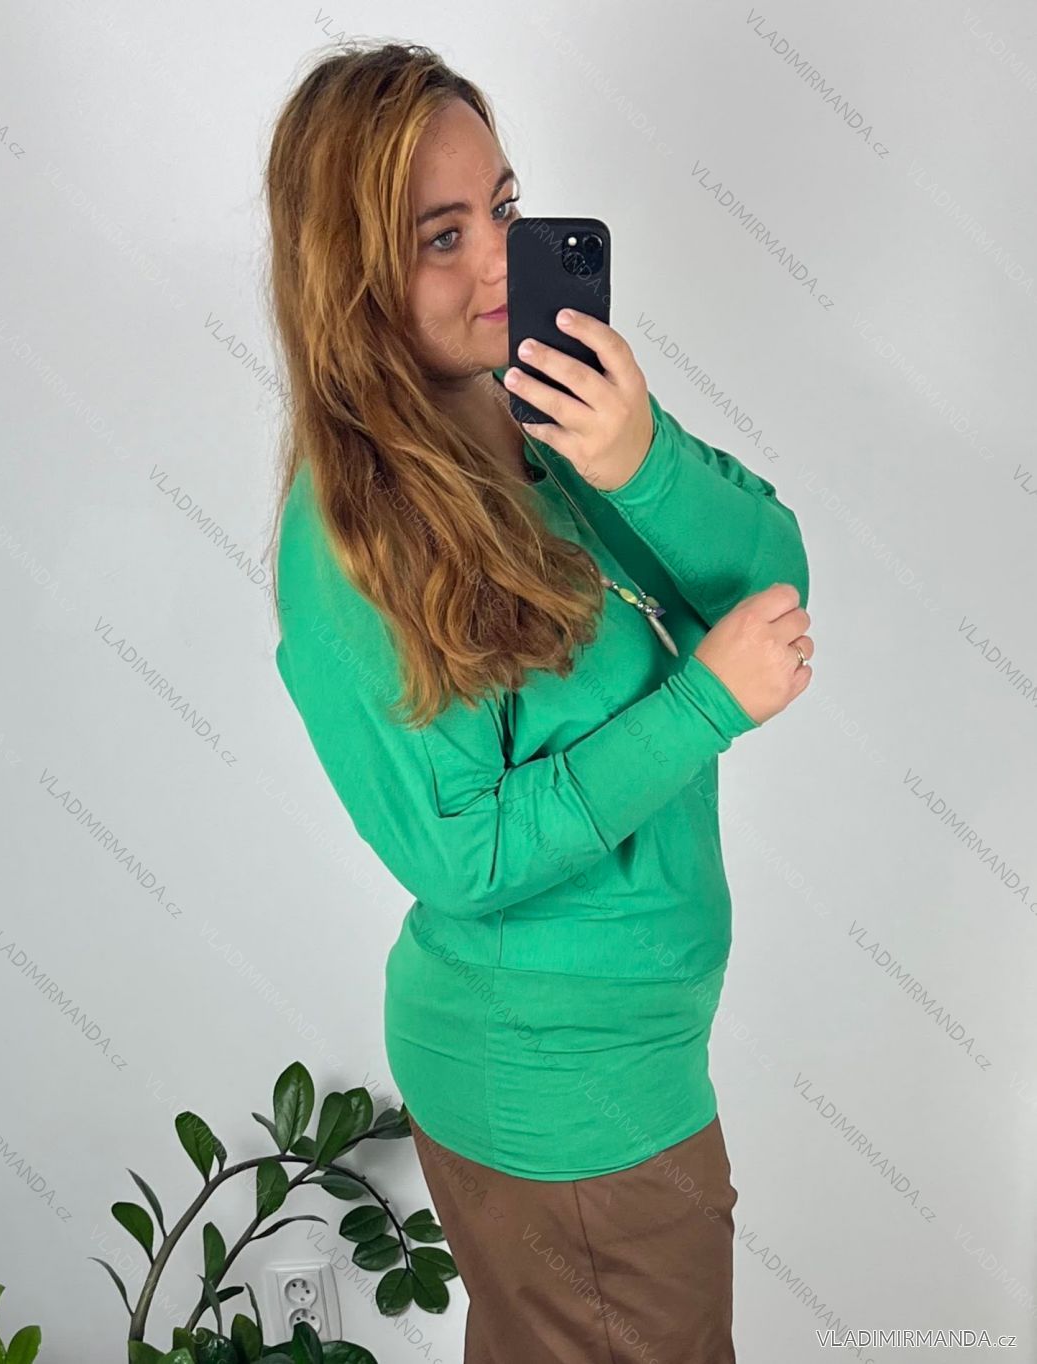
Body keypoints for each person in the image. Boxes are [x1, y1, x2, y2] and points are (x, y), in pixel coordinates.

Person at [265, 38, 813, 1364]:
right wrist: (704, 708)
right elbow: (463, 849)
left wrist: (640, 458)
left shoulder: (547, 414)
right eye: (442, 237)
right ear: (351, 273)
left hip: (621, 1068)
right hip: (567, 1100)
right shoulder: (352, 540)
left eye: (504, 209)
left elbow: (773, 583)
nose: (503, 263)